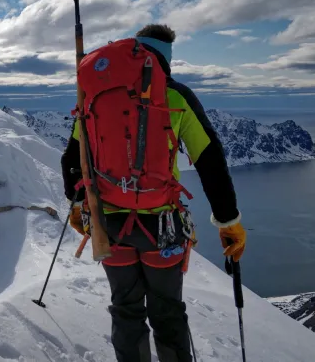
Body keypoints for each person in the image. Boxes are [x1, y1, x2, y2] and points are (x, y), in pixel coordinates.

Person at [61, 24, 247, 362]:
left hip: (109, 227)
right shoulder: (174, 95)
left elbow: (72, 158)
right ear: (166, 56)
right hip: (162, 230)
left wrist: (77, 206)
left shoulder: (92, 98)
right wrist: (227, 221)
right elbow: (210, 161)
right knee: (167, 313)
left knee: (125, 309)